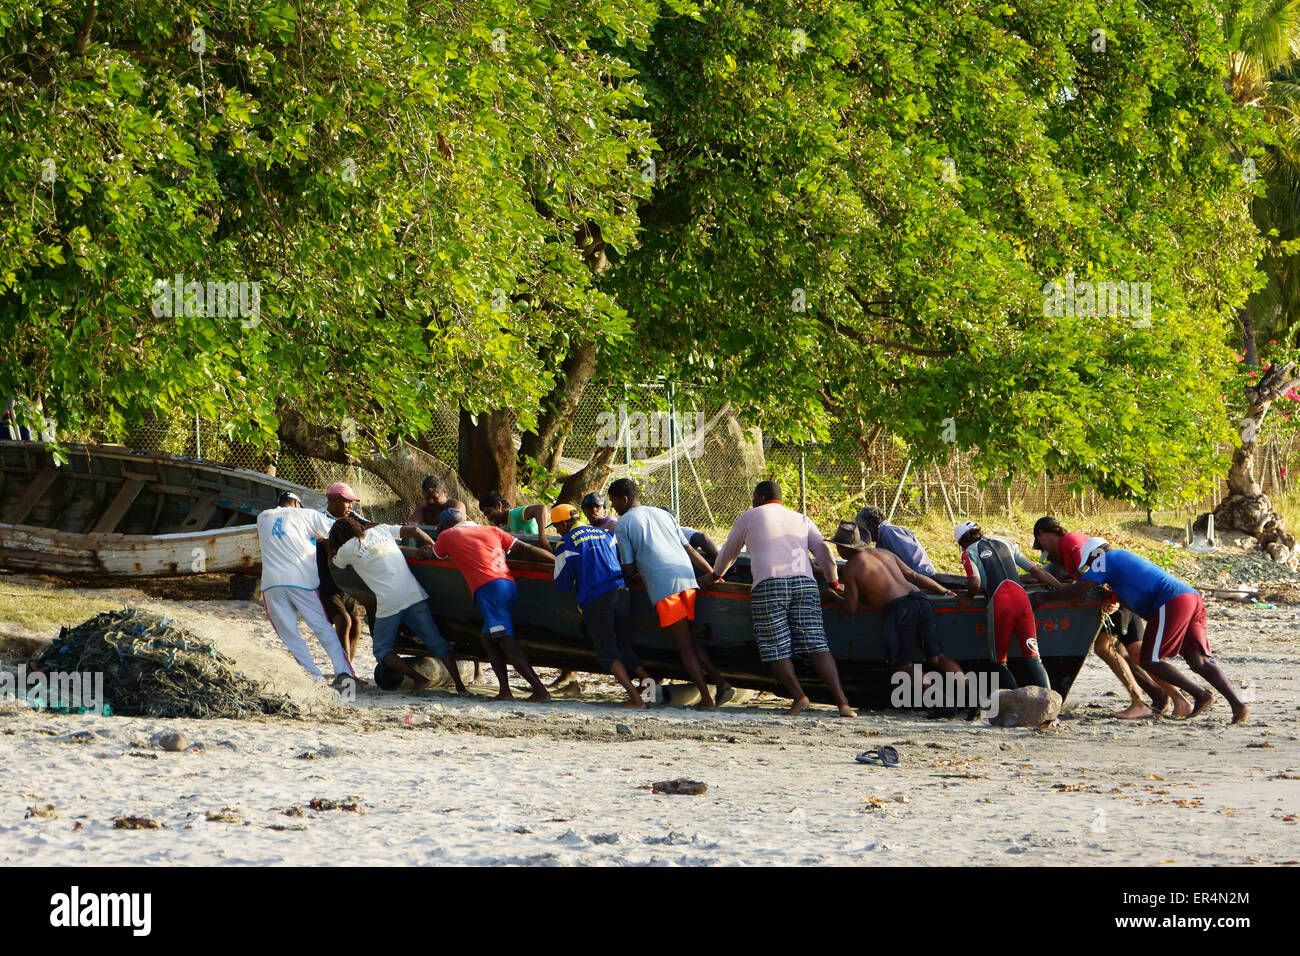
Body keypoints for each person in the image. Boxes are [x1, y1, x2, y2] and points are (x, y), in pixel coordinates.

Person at [1038, 538, 1249, 723]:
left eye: (1091, 564)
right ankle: (1238, 705)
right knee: (1198, 660)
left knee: (1150, 660)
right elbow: (1131, 601)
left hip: (1172, 601)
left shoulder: (1107, 558)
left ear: (1096, 554)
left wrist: (1041, 598)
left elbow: (1077, 590)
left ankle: (1200, 695)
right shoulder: (1122, 566)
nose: (1092, 569)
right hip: (1191, 598)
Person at [698, 482, 854, 717]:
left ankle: (799, 696)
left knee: (775, 646)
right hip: (805, 583)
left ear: (760, 496)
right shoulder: (801, 519)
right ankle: (843, 703)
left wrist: (715, 575)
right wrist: (833, 583)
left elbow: (729, 552)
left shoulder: (750, 516)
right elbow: (824, 552)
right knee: (816, 643)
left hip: (769, 585)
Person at [1032, 516, 1189, 719]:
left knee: (1108, 649)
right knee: (1134, 654)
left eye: (1040, 540)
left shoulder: (1071, 542)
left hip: (1113, 603)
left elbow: (1091, 578)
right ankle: (1171, 697)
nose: (1043, 547)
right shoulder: (1069, 547)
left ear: (1044, 534)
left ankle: (1142, 702)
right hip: (1119, 600)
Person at [609, 477, 733, 711]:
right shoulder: (663, 514)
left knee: (684, 646)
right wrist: (714, 574)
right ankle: (721, 682)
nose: (613, 507)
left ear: (623, 499)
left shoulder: (623, 523)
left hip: (665, 586)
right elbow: (688, 548)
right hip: (687, 579)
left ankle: (707, 700)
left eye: (614, 501)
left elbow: (628, 569)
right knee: (690, 639)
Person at [827, 521, 969, 712]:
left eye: (838, 546)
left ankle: (943, 703)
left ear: (844, 549)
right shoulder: (885, 554)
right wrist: (945, 591)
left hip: (900, 609)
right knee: (936, 657)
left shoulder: (851, 568)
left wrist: (832, 597)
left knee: (903, 665)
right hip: (921, 599)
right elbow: (913, 575)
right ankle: (972, 696)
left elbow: (851, 608)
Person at [328, 515, 467, 695]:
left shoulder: (347, 548)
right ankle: (460, 685)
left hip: (389, 602)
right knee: (438, 643)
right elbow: (415, 530)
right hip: (413, 593)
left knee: (381, 650)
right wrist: (435, 549)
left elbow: (333, 565)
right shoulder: (380, 529)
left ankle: (418, 678)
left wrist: (330, 547)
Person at [433, 507, 555, 702]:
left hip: (488, 591)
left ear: (447, 525)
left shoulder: (448, 535)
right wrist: (555, 561)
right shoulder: (492, 530)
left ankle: (540, 690)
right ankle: (504, 691)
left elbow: (435, 554)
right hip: (507, 585)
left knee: (506, 641)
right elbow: (526, 549)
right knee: (487, 639)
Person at [545, 503, 657, 708]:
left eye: (556, 526)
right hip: (622, 592)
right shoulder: (605, 534)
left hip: (597, 599)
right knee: (623, 644)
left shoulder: (565, 543)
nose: (556, 530)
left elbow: (561, 583)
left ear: (563, 522)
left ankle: (637, 700)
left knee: (607, 653)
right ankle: (650, 690)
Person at [256, 491, 355, 686]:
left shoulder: (262, 517)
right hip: (302, 581)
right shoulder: (308, 514)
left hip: (272, 584)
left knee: (291, 636)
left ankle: (314, 678)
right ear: (295, 503)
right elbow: (339, 532)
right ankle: (344, 672)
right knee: (323, 628)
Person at [955, 521, 1059, 690]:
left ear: (962, 542)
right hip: (1023, 602)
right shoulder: (1006, 543)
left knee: (999, 661)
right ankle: (1050, 702)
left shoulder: (968, 553)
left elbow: (974, 581)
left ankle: (1015, 702)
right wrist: (1063, 587)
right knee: (1034, 658)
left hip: (1000, 605)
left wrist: (968, 597)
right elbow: (1037, 571)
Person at [316, 482, 368, 667]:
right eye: (347, 502)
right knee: (344, 621)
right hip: (326, 583)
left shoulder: (351, 517)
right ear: (335, 500)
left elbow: (368, 526)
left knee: (356, 623)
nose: (350, 506)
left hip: (344, 583)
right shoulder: (320, 520)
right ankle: (342, 669)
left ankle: (349, 668)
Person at [854, 506, 938, 576]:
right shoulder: (883, 536)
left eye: (864, 529)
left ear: (871, 523)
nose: (863, 534)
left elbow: (913, 561)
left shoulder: (889, 532)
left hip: (922, 576)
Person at [480, 492, 547, 535]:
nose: (488, 518)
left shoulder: (517, 514)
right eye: (486, 516)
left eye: (489, 512)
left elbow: (540, 508)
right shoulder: (503, 529)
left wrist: (542, 536)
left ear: (498, 505)